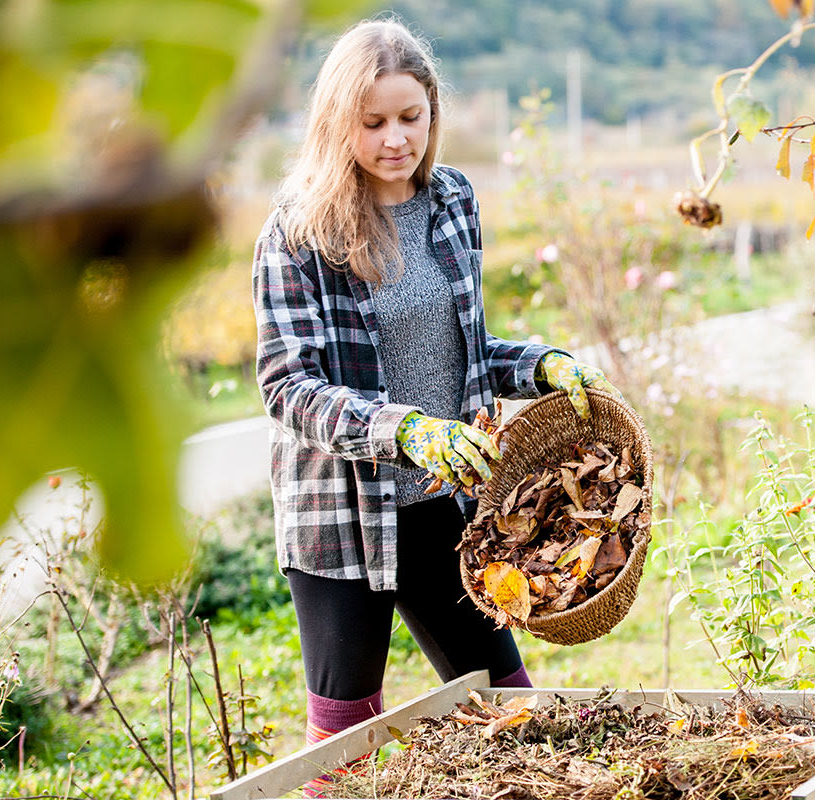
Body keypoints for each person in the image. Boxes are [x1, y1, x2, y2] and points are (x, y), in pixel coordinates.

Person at [250, 18, 621, 794]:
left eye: (410, 118)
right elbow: (289, 385)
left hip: (443, 505)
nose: (396, 140)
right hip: (344, 520)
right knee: (343, 743)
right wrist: (406, 431)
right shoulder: (297, 232)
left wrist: (541, 363)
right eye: (373, 122)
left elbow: (464, 351)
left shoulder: (452, 200)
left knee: (508, 708)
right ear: (336, 121)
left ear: (433, 111)